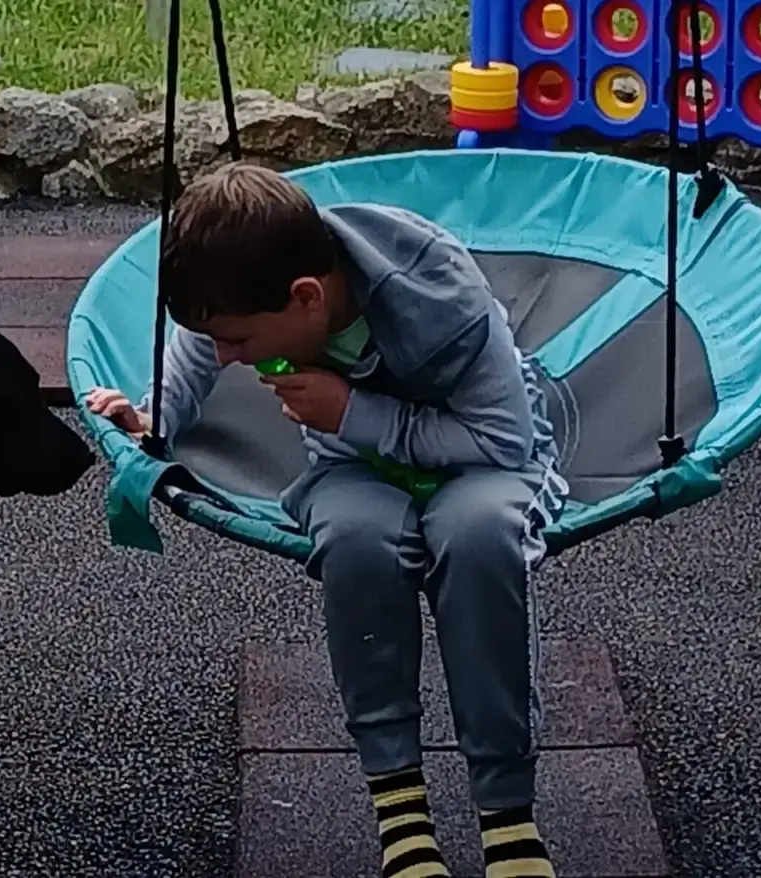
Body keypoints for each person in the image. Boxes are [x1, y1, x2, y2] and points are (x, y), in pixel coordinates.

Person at [83, 162, 568, 878]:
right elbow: (195, 346)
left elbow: (505, 439)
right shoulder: (248, 281)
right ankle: (400, 806)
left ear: (307, 297)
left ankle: (506, 814)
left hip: (483, 458)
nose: (228, 358)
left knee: (477, 536)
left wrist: (354, 413)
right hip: (355, 466)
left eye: (239, 341)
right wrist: (153, 419)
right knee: (356, 540)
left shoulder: (438, 293)